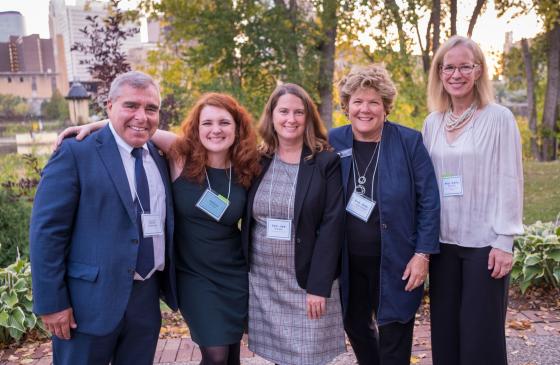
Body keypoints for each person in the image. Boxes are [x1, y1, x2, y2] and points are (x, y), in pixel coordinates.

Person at [56, 92, 261, 365]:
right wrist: (93, 126)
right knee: (216, 355)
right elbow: (139, 128)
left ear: (237, 128)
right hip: (194, 276)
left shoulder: (247, 167)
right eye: (207, 123)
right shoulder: (181, 154)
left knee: (231, 352)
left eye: (224, 123)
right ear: (196, 128)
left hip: (233, 274)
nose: (215, 130)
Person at [30, 71, 178, 365]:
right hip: (87, 304)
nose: (142, 116)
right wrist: (52, 303)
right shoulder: (76, 153)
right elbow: (47, 232)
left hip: (144, 300)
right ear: (109, 106)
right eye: (131, 106)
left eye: (151, 108)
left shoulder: (161, 157)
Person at [328, 65, 440, 365]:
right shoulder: (332, 142)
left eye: (373, 102)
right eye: (358, 101)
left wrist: (423, 254)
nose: (365, 109)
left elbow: (429, 200)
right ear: (346, 106)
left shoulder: (408, 142)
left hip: (397, 260)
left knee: (395, 330)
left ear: (386, 107)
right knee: (355, 325)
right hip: (348, 262)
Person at [423, 35, 523, 365]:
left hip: (485, 245)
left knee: (481, 338)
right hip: (443, 244)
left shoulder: (498, 118)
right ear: (439, 73)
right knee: (446, 336)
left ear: (478, 70)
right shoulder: (432, 123)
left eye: (464, 66)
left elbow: (510, 179)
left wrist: (505, 240)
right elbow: (425, 186)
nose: (456, 74)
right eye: (448, 67)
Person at [241, 83, 346, 365]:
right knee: (279, 357)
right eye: (284, 111)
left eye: (299, 112)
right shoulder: (257, 159)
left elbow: (332, 225)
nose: (291, 119)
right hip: (264, 282)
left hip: (307, 280)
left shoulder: (325, 161)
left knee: (307, 357)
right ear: (271, 116)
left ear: (308, 117)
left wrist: (318, 286)